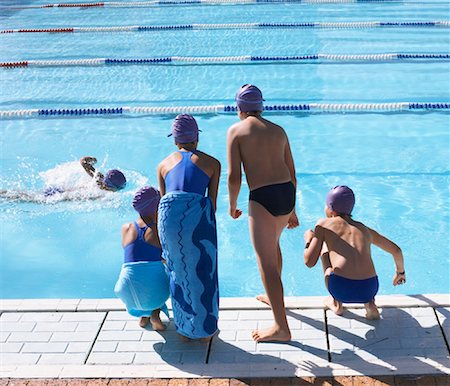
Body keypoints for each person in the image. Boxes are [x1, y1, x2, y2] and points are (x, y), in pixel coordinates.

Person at [227, 84, 299, 342]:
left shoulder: (236, 131)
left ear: (240, 109)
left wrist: (232, 205)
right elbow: (292, 172)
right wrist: (292, 210)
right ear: (260, 106)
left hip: (263, 197)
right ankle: (272, 296)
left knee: (265, 262)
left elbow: (235, 176)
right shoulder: (279, 131)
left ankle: (281, 327)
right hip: (286, 193)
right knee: (274, 246)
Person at [157, 114, 221, 341]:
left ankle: (184, 330)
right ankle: (205, 329)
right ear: (197, 138)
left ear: (175, 140)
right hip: (197, 218)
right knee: (204, 271)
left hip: (168, 219)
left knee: (177, 271)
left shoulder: (163, 165)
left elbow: (164, 201)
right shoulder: (213, 163)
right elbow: (211, 203)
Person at [303, 185, 406, 319]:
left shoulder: (323, 225)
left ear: (330, 208)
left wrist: (309, 240)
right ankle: (370, 304)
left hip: (341, 289)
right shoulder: (364, 229)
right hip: (369, 289)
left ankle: (336, 303)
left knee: (324, 249)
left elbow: (309, 262)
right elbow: (396, 250)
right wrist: (400, 273)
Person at [114, 186, 170, 330]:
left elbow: (135, 255)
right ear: (158, 207)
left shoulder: (125, 227)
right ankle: (155, 314)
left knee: (142, 275)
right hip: (153, 293)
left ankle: (143, 317)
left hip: (125, 290)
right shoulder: (158, 229)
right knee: (162, 273)